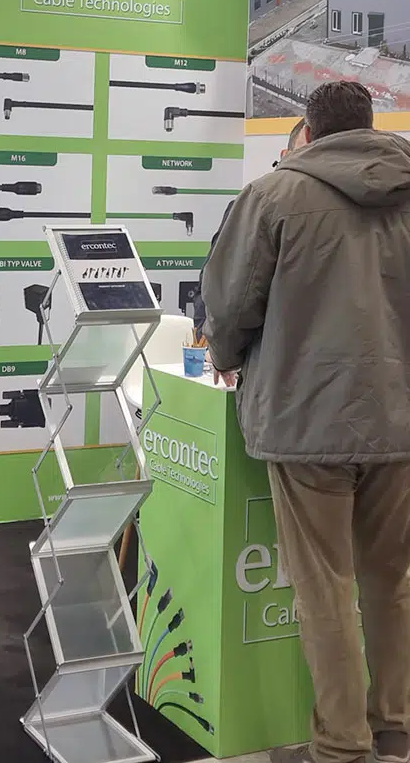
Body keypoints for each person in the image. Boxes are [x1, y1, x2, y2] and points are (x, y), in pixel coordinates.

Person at [202, 82, 410, 763]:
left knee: (325, 587)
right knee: (392, 580)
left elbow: (231, 303)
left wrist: (225, 357)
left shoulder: (272, 197)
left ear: (308, 132)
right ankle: (396, 727)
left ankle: (341, 746)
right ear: (370, 125)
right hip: (400, 419)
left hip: (305, 417)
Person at [190, 117, 307, 334]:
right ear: (285, 156)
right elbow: (215, 288)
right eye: (304, 156)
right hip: (256, 349)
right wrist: (209, 340)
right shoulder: (253, 207)